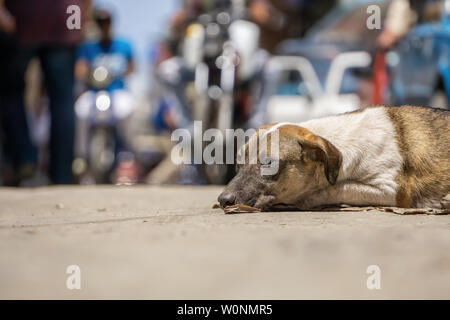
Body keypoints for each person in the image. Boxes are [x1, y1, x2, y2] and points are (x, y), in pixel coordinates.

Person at [0, 0, 90, 185]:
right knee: (63, 99)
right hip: (65, 20)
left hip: (24, 18)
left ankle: (24, 159)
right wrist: (82, 19)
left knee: (10, 91)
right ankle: (62, 174)